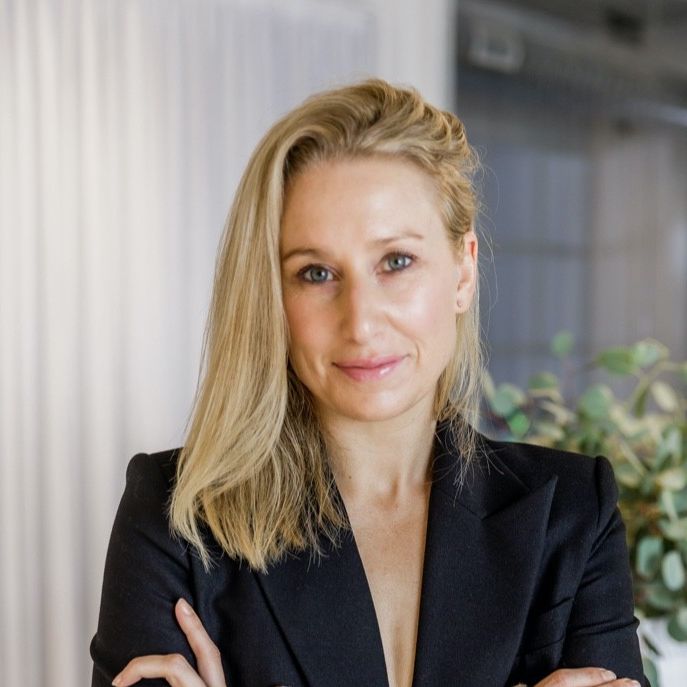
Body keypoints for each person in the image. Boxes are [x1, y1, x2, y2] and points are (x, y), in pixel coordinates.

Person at [89, 78, 650, 687]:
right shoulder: (175, 518)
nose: (359, 322)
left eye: (396, 262)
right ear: (271, 294)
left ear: (463, 272)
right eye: (316, 272)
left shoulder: (572, 512)